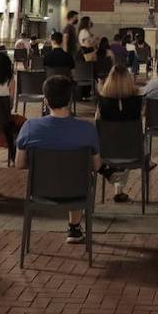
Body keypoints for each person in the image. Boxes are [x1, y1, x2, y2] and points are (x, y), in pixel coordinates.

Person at [15, 75, 108, 244]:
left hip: (41, 191)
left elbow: (20, 164)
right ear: (70, 98)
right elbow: (96, 165)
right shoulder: (87, 130)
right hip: (76, 191)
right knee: (82, 175)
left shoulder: (30, 127)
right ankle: (74, 227)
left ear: (46, 100)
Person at [96, 65, 144, 202]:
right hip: (132, 150)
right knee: (130, 140)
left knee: (116, 141)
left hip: (107, 150)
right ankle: (119, 188)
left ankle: (113, 177)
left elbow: (98, 125)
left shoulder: (102, 103)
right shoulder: (137, 102)